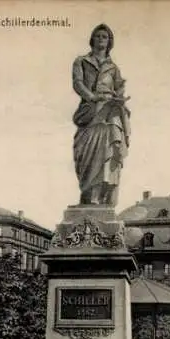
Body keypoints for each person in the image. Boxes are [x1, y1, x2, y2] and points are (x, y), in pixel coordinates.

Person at [72, 24, 131, 206]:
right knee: (86, 153)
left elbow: (119, 88)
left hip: (111, 114)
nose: (100, 39)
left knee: (109, 152)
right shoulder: (81, 61)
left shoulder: (113, 68)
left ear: (109, 41)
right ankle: (89, 195)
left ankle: (102, 197)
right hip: (90, 112)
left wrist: (119, 99)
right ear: (92, 39)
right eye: (97, 36)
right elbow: (77, 83)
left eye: (104, 37)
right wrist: (92, 97)